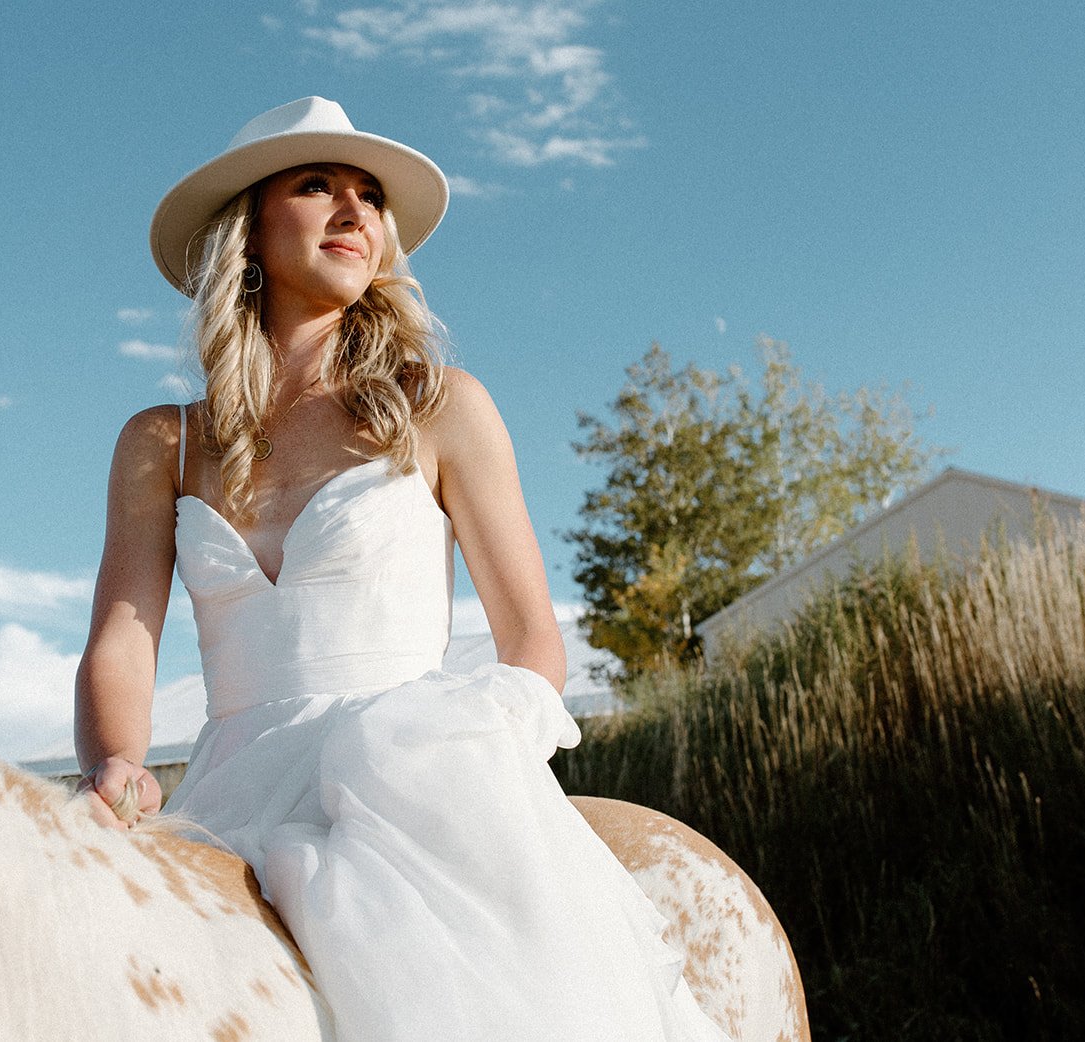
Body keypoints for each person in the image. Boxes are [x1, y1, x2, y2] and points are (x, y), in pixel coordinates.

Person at [74, 97, 732, 1042]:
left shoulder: (441, 409)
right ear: (248, 233)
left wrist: (466, 750)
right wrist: (116, 768)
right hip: (229, 789)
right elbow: (121, 638)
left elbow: (532, 639)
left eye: (369, 197)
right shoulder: (161, 443)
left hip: (411, 777)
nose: (354, 212)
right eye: (315, 186)